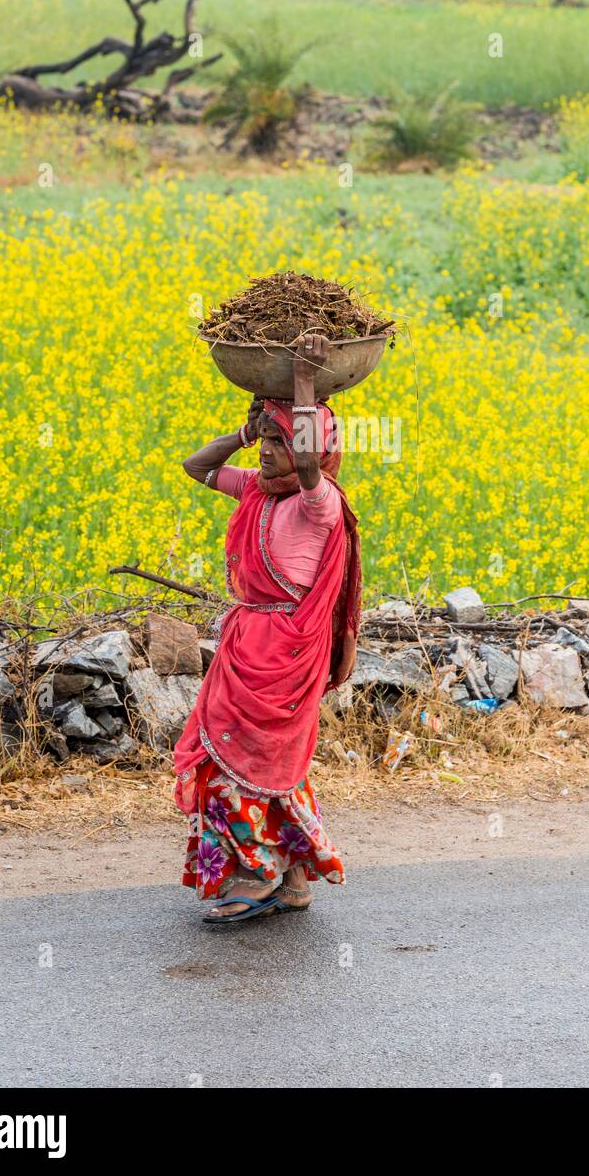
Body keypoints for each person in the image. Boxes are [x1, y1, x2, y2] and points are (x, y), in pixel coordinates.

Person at [173, 332, 362, 925]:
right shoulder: (256, 489)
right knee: (241, 756)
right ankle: (296, 877)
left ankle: (259, 874)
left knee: (262, 759)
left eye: (280, 443)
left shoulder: (319, 501)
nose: (269, 454)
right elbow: (196, 467)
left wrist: (303, 382)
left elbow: (307, 465)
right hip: (246, 641)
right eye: (269, 442)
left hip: (287, 647)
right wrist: (246, 434)